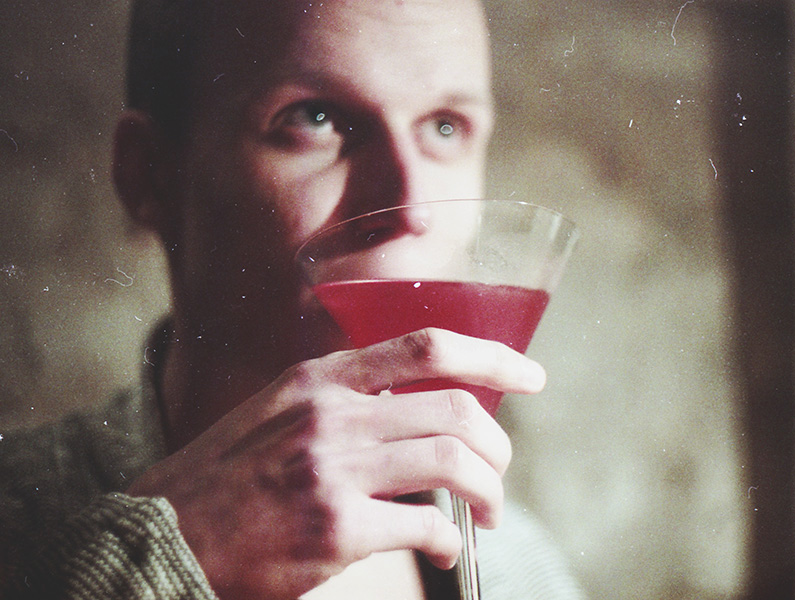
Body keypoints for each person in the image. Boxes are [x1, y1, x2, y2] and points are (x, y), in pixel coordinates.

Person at [0, 0, 584, 598]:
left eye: (444, 125)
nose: (410, 207)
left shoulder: (524, 570)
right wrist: (168, 558)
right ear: (149, 174)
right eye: (315, 117)